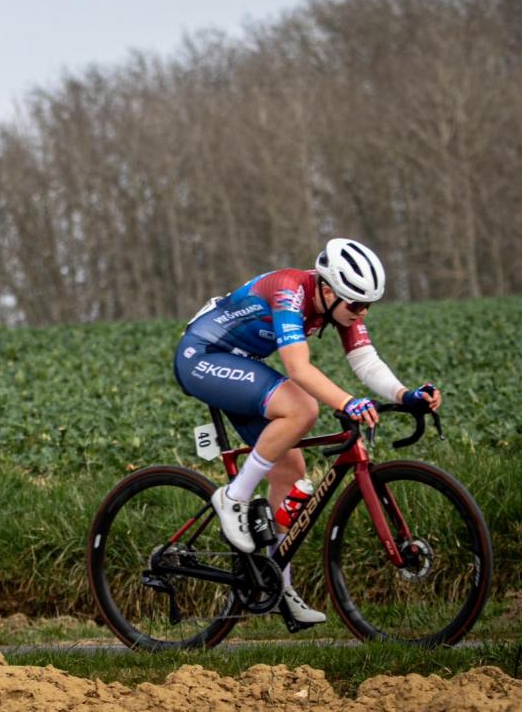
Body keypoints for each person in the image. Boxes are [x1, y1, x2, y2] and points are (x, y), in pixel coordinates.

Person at [173, 238, 440, 628]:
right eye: (355, 305)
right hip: (203, 358)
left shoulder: (339, 306)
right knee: (302, 407)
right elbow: (298, 369)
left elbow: (365, 361)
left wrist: (406, 394)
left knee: (291, 470)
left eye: (368, 306)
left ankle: (279, 586)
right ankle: (233, 497)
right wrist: (348, 402)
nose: (361, 313)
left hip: (239, 364)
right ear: (329, 290)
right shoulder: (289, 291)